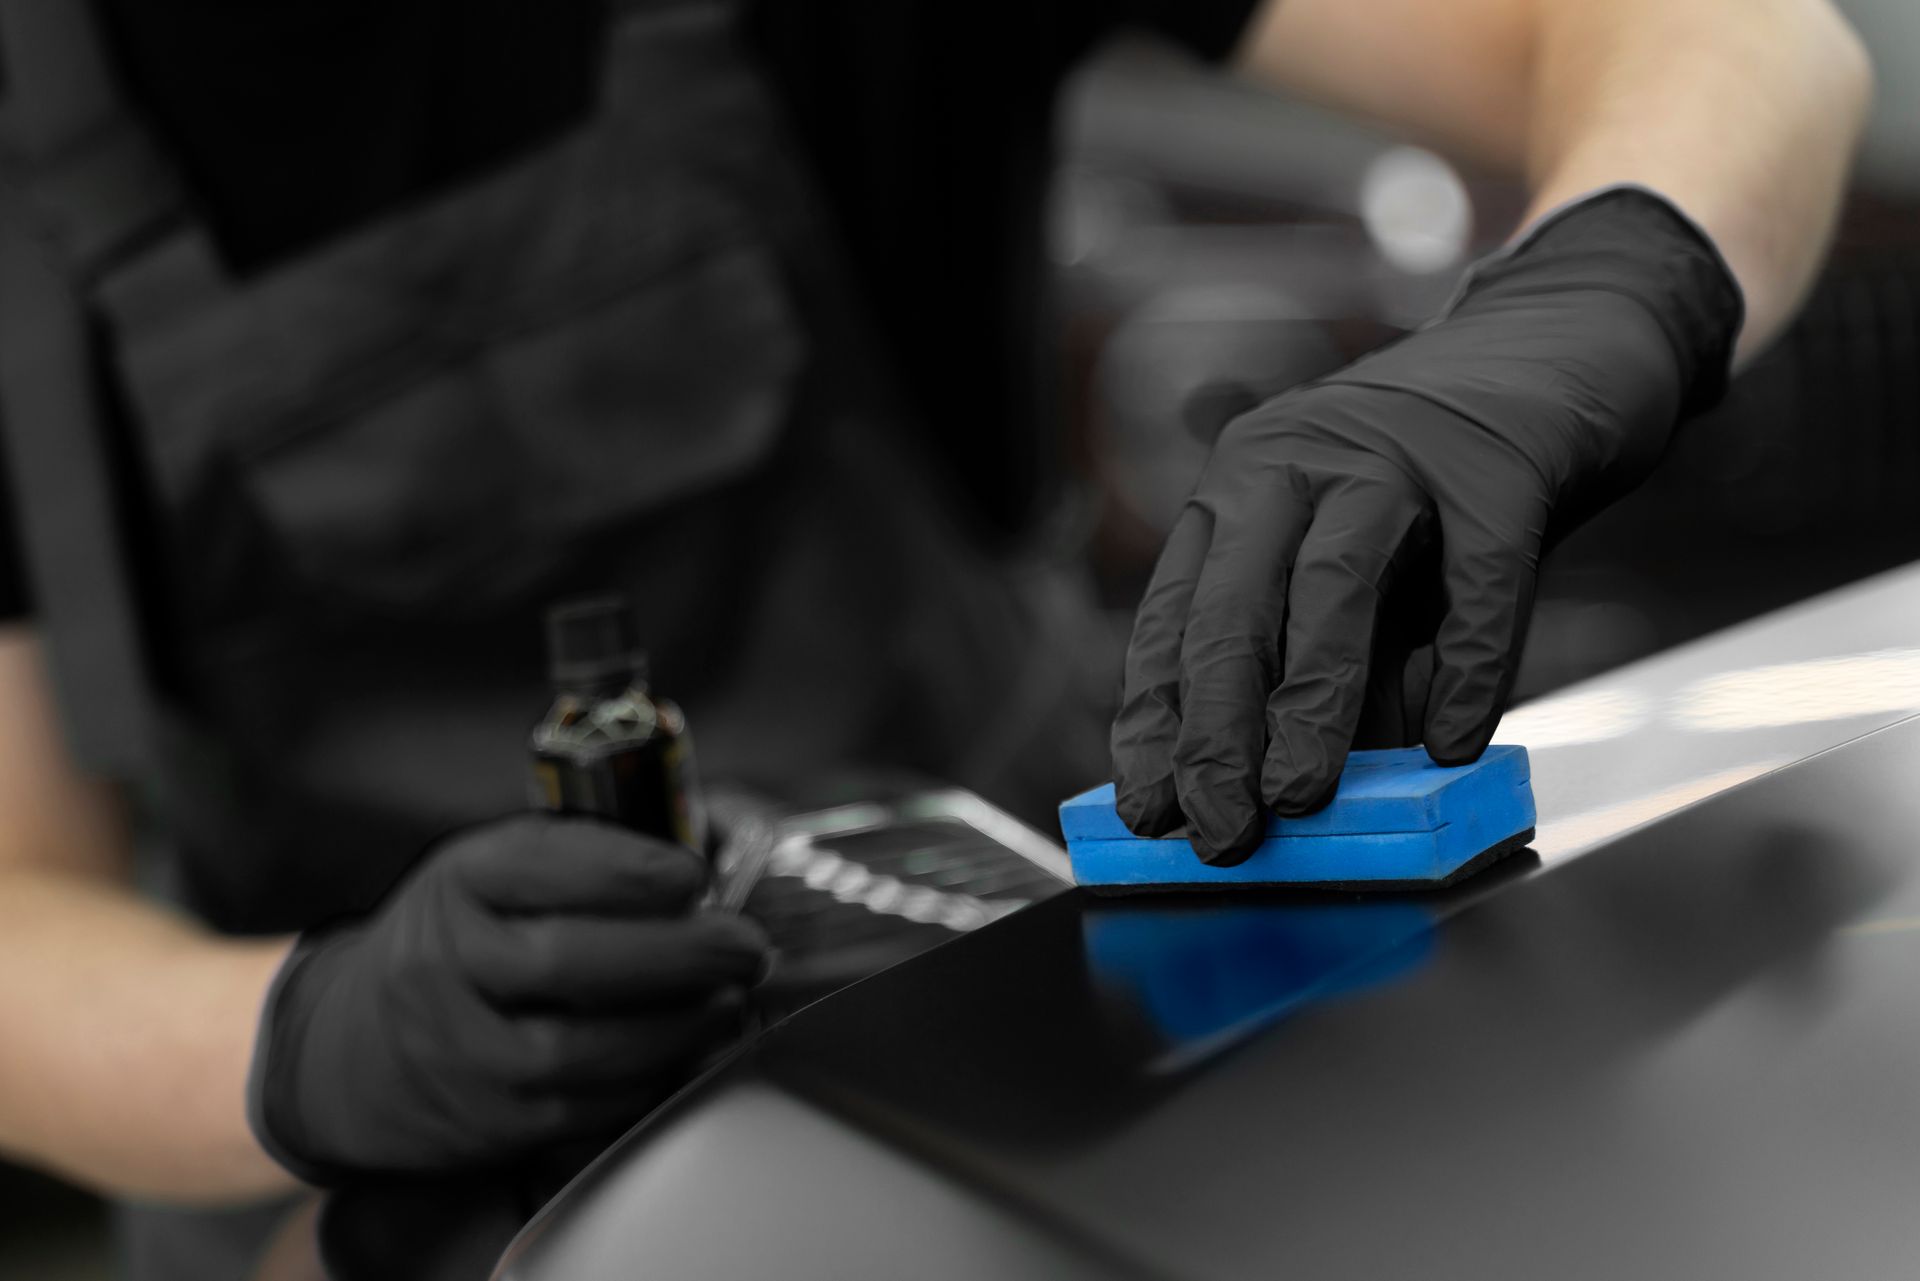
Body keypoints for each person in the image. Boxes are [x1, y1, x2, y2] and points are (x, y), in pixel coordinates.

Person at [0, 0, 1869, 1277]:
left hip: (1053, 1012)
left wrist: (1593, 295)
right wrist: (304, 1039)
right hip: (368, 1175)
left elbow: (1733, 34)